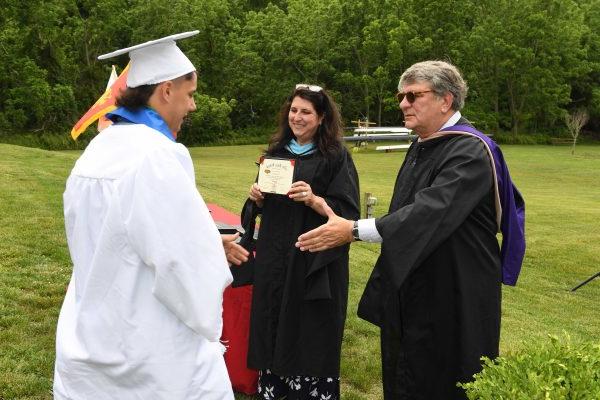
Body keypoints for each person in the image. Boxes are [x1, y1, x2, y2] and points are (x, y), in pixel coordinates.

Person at [295, 61, 526, 399]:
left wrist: (354, 230)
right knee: (405, 369)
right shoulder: (424, 145)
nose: (403, 104)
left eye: (412, 95)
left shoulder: (470, 151)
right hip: (414, 283)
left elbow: (427, 213)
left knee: (445, 375)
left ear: (445, 100)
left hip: (455, 289)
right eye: (400, 96)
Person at [53, 32, 248, 400]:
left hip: (92, 338)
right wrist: (204, 253)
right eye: (190, 94)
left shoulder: (98, 151)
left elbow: (113, 238)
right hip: (149, 354)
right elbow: (180, 264)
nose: (192, 107)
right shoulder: (156, 156)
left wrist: (204, 240)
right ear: (166, 90)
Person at [245, 84, 360, 400]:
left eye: (306, 112)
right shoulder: (276, 154)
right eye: (293, 110)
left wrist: (313, 200)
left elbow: (349, 214)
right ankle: (275, 390)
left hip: (311, 261)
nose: (297, 117)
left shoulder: (335, 157)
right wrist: (255, 199)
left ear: (321, 117)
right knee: (273, 322)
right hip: (274, 257)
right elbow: (256, 209)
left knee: (308, 327)